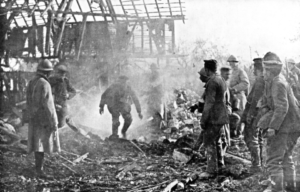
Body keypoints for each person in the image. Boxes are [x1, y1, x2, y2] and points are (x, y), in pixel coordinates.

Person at [260, 52, 300, 192]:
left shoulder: (278, 83)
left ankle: (277, 189)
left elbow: (282, 107)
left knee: (273, 161)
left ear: (270, 71)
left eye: (264, 70)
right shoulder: (278, 80)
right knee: (285, 158)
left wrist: (272, 127)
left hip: (285, 127)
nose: (262, 73)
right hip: (293, 126)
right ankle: (291, 188)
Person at [26, 59, 60, 179]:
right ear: (48, 72)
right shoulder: (45, 84)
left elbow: (28, 101)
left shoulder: (32, 82)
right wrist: (54, 122)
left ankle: (38, 168)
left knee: (36, 143)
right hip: (43, 119)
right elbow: (49, 106)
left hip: (34, 118)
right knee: (40, 144)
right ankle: (39, 170)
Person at [200, 60, 229, 178]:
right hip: (221, 115)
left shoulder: (212, 82)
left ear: (207, 70)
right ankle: (220, 165)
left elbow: (209, 102)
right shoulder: (221, 79)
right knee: (217, 140)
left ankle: (211, 170)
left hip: (214, 116)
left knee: (209, 142)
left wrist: (203, 119)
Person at [241, 58, 265, 174]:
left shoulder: (260, 81)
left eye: (255, 69)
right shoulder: (262, 80)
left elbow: (254, 100)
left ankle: (256, 165)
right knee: (257, 137)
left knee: (251, 137)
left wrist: (249, 115)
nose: (253, 71)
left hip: (255, 112)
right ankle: (259, 163)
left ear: (258, 69)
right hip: (259, 113)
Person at [227, 55, 250, 138]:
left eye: (233, 62)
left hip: (239, 96)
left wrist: (235, 89)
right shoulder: (230, 72)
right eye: (230, 62)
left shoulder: (241, 71)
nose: (231, 64)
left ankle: (239, 133)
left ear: (236, 63)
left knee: (239, 115)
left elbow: (245, 83)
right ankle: (233, 133)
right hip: (231, 97)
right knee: (232, 115)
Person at [49, 64, 76, 128]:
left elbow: (73, 91)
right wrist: (54, 104)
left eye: (63, 75)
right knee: (51, 125)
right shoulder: (50, 80)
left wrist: (68, 95)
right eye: (60, 75)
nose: (62, 77)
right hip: (51, 106)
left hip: (62, 107)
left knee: (61, 125)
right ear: (56, 73)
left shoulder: (66, 81)